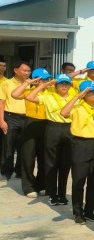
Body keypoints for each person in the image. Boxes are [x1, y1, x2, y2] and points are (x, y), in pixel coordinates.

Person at [61, 80, 94, 224]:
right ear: (83, 94)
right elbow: (63, 112)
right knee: (79, 179)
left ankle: (89, 211)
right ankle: (78, 212)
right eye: (90, 92)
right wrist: (77, 97)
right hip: (81, 145)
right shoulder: (77, 107)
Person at [27, 74, 76, 205]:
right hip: (53, 128)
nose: (64, 86)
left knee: (65, 164)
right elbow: (30, 97)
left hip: (69, 129)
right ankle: (52, 194)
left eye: (66, 83)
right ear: (55, 85)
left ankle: (62, 194)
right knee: (51, 163)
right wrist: (44, 85)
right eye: (61, 83)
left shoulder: (74, 97)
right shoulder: (48, 96)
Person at [11, 68, 52, 197]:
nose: (47, 81)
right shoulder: (28, 91)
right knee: (28, 157)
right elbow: (14, 94)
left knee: (44, 157)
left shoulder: (51, 92)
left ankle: (42, 184)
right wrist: (27, 82)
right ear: (36, 80)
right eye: (44, 79)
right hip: (30, 124)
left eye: (48, 79)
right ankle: (29, 187)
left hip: (47, 124)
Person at [0, 61, 31, 181]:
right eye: (24, 70)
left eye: (28, 71)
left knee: (24, 147)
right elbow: (1, 103)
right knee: (8, 146)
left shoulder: (31, 83)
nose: (27, 73)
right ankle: (6, 172)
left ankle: (20, 171)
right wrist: (1, 120)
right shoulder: (6, 83)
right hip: (10, 117)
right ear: (16, 70)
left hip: (27, 118)